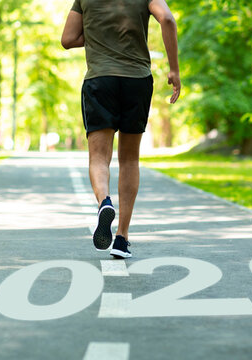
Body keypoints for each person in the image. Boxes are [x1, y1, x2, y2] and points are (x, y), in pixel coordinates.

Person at [61, 0, 180, 259]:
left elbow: (68, 39)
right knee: (129, 159)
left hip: (99, 81)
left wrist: (96, 37)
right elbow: (168, 20)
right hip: (136, 80)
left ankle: (105, 202)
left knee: (99, 158)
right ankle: (122, 238)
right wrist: (173, 69)